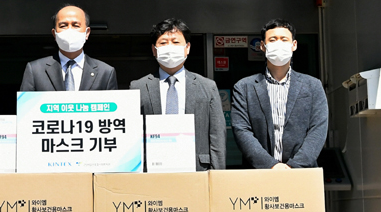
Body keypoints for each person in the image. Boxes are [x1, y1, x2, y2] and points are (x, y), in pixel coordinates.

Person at [130, 18, 226, 171]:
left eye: (175, 42)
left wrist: (217, 174)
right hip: (153, 170)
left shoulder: (208, 86)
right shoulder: (138, 87)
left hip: (197, 169)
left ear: (187, 48)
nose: (170, 47)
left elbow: (217, 134)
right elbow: (132, 135)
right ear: (154, 50)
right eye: (163, 43)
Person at [231, 18, 328, 169]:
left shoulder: (313, 86)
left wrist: (294, 166)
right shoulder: (244, 87)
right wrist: (271, 165)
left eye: (284, 39)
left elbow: (318, 129)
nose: (278, 43)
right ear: (262, 46)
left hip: (302, 173)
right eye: (272, 39)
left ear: (294, 45)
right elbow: (241, 130)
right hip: (259, 173)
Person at [20, 4, 117, 91]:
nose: (69, 30)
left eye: (76, 25)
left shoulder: (105, 72)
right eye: (63, 26)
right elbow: (26, 105)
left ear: (87, 33)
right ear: (54, 33)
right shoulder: (35, 70)